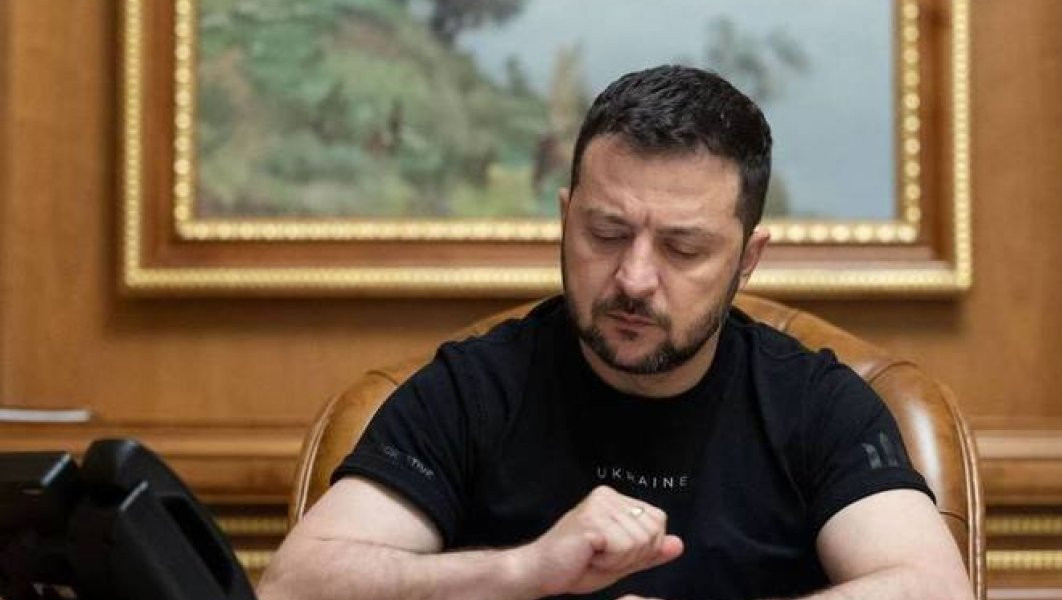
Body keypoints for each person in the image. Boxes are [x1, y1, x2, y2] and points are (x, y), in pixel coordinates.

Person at [259, 65, 972, 600]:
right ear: (565, 219)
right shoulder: (472, 391)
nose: (633, 278)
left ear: (747, 260)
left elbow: (933, 587)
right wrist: (526, 571)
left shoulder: (815, 404)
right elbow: (293, 586)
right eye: (605, 233)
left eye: (682, 249)